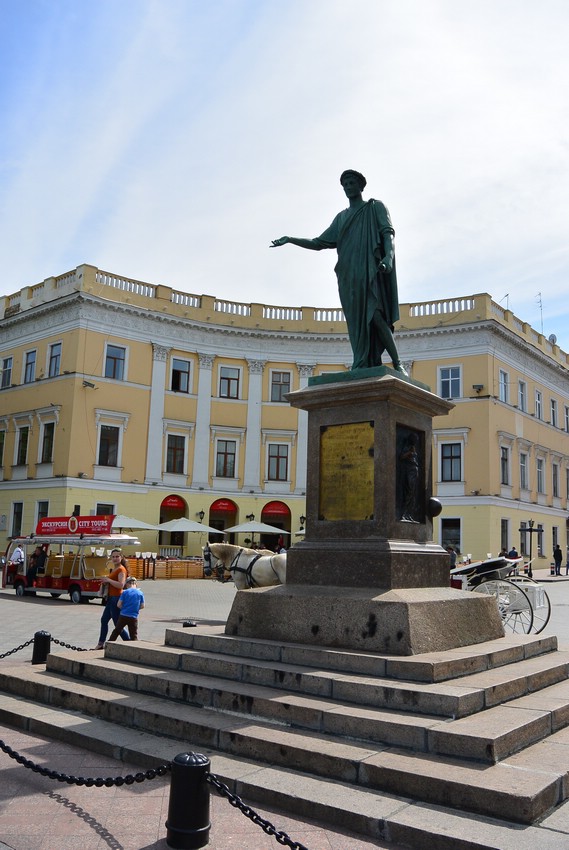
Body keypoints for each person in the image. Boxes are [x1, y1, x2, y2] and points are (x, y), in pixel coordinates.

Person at [272, 169, 406, 373]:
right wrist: (290, 239)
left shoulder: (375, 207)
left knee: (376, 316)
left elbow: (388, 234)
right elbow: (318, 243)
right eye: (344, 184)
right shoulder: (341, 218)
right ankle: (360, 362)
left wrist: (388, 257)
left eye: (351, 183)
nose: (348, 187)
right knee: (355, 324)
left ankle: (397, 363)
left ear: (361, 185)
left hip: (370, 271)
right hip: (348, 276)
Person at [93, 549, 130, 649]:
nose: (115, 558)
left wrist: (108, 580)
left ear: (121, 557)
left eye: (117, 556)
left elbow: (121, 585)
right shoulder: (114, 569)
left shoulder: (121, 569)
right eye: (113, 557)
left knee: (117, 624)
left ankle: (130, 642)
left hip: (116, 598)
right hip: (110, 598)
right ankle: (100, 643)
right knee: (104, 620)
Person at [108, 577, 145, 642]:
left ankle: (109, 643)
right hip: (133, 617)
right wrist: (135, 608)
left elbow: (118, 605)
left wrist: (124, 608)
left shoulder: (124, 592)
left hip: (123, 615)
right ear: (135, 584)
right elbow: (142, 606)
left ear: (127, 584)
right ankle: (134, 647)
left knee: (117, 631)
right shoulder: (140, 593)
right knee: (133, 634)